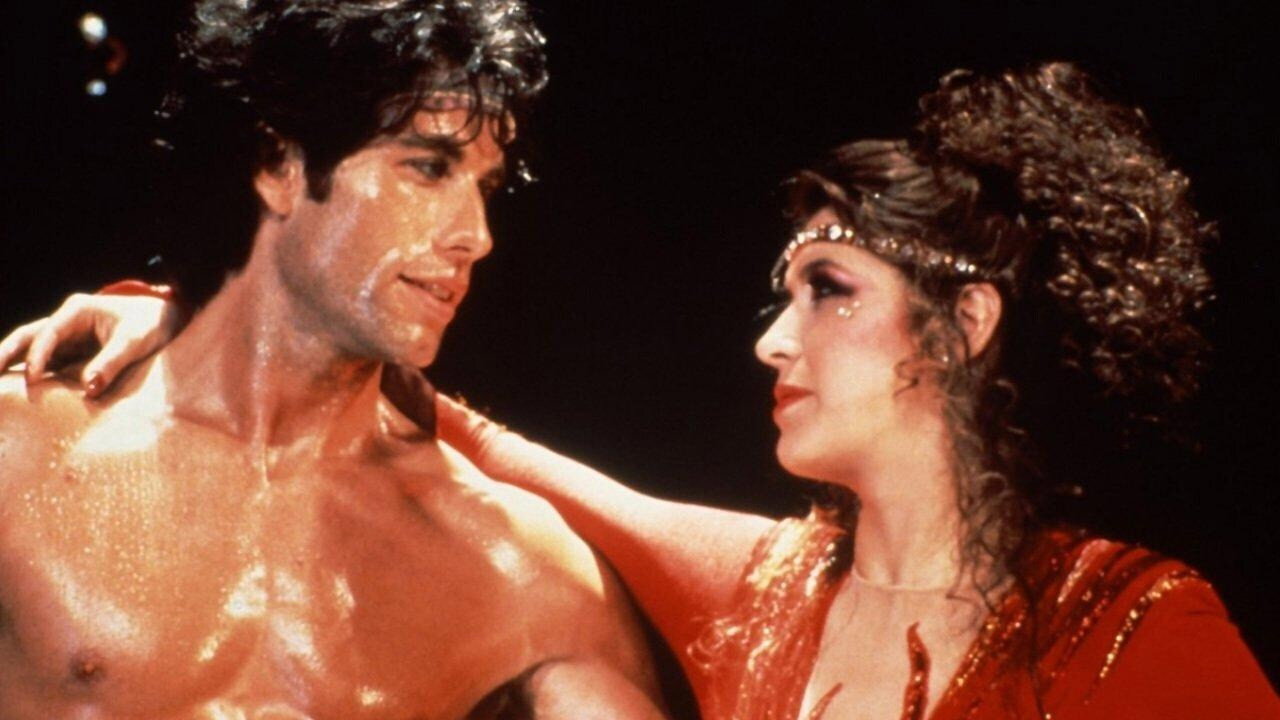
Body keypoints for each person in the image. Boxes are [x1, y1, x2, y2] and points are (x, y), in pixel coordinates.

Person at [6, 64, 1278, 718]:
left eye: (827, 291)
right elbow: (472, 435)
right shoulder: (756, 592)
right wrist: (190, 316)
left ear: (961, 329)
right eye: (780, 296)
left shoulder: (1135, 628)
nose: (771, 342)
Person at [0, 1, 666, 718]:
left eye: (485, 187)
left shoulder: (519, 573)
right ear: (279, 165)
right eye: (429, 167)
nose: (476, 235)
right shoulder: (23, 450)